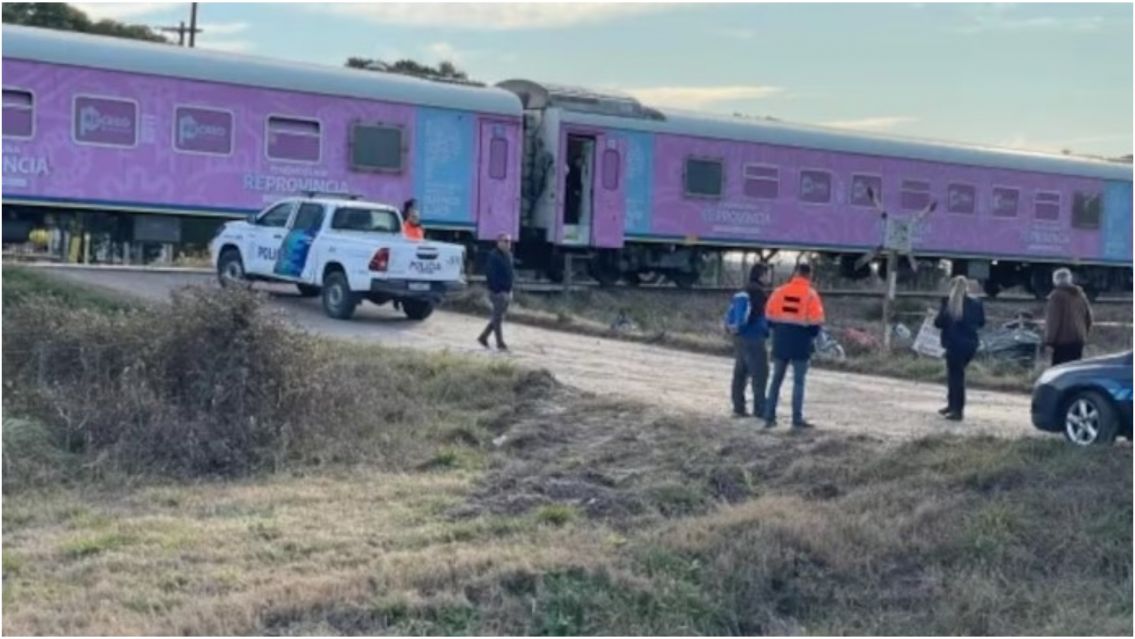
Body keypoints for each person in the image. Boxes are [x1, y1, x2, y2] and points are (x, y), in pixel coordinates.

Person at [763, 263, 825, 430]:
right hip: (801, 344)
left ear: (795, 273)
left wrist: (779, 330)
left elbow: (768, 317)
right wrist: (809, 337)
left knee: (776, 380)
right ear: (809, 275)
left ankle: (769, 417)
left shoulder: (779, 292)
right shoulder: (811, 295)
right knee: (798, 382)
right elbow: (816, 324)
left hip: (781, 341)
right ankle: (796, 419)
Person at [933, 276, 985, 421]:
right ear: (967, 287)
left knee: (955, 377)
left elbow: (938, 323)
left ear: (951, 288)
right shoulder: (977, 303)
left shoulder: (948, 303)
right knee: (957, 376)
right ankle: (952, 406)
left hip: (954, 344)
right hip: (970, 344)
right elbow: (982, 322)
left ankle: (957, 410)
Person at [727, 264, 771, 418]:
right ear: (761, 275)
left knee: (740, 372)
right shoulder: (758, 292)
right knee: (760, 373)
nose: (768, 278)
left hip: (739, 336)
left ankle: (738, 407)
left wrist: (738, 328)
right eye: (767, 274)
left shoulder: (742, 290)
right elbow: (758, 314)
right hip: (754, 336)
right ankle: (760, 409)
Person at [1043, 268, 1093, 366]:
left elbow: (1053, 321)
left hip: (1062, 342)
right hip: (1078, 340)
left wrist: (1049, 341)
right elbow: (1089, 317)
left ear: (1055, 280)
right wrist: (1083, 334)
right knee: (1074, 369)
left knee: (1058, 371)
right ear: (1070, 279)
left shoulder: (1056, 296)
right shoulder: (1080, 295)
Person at [478, 233, 514, 351]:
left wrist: (509, 290)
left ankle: (483, 337)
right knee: (498, 318)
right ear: (498, 242)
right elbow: (491, 275)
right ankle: (500, 343)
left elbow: (510, 274)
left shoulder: (508, 256)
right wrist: (498, 290)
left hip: (507, 292)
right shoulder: (493, 256)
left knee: (498, 317)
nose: (508, 243)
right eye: (505, 241)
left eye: (509, 241)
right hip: (497, 292)